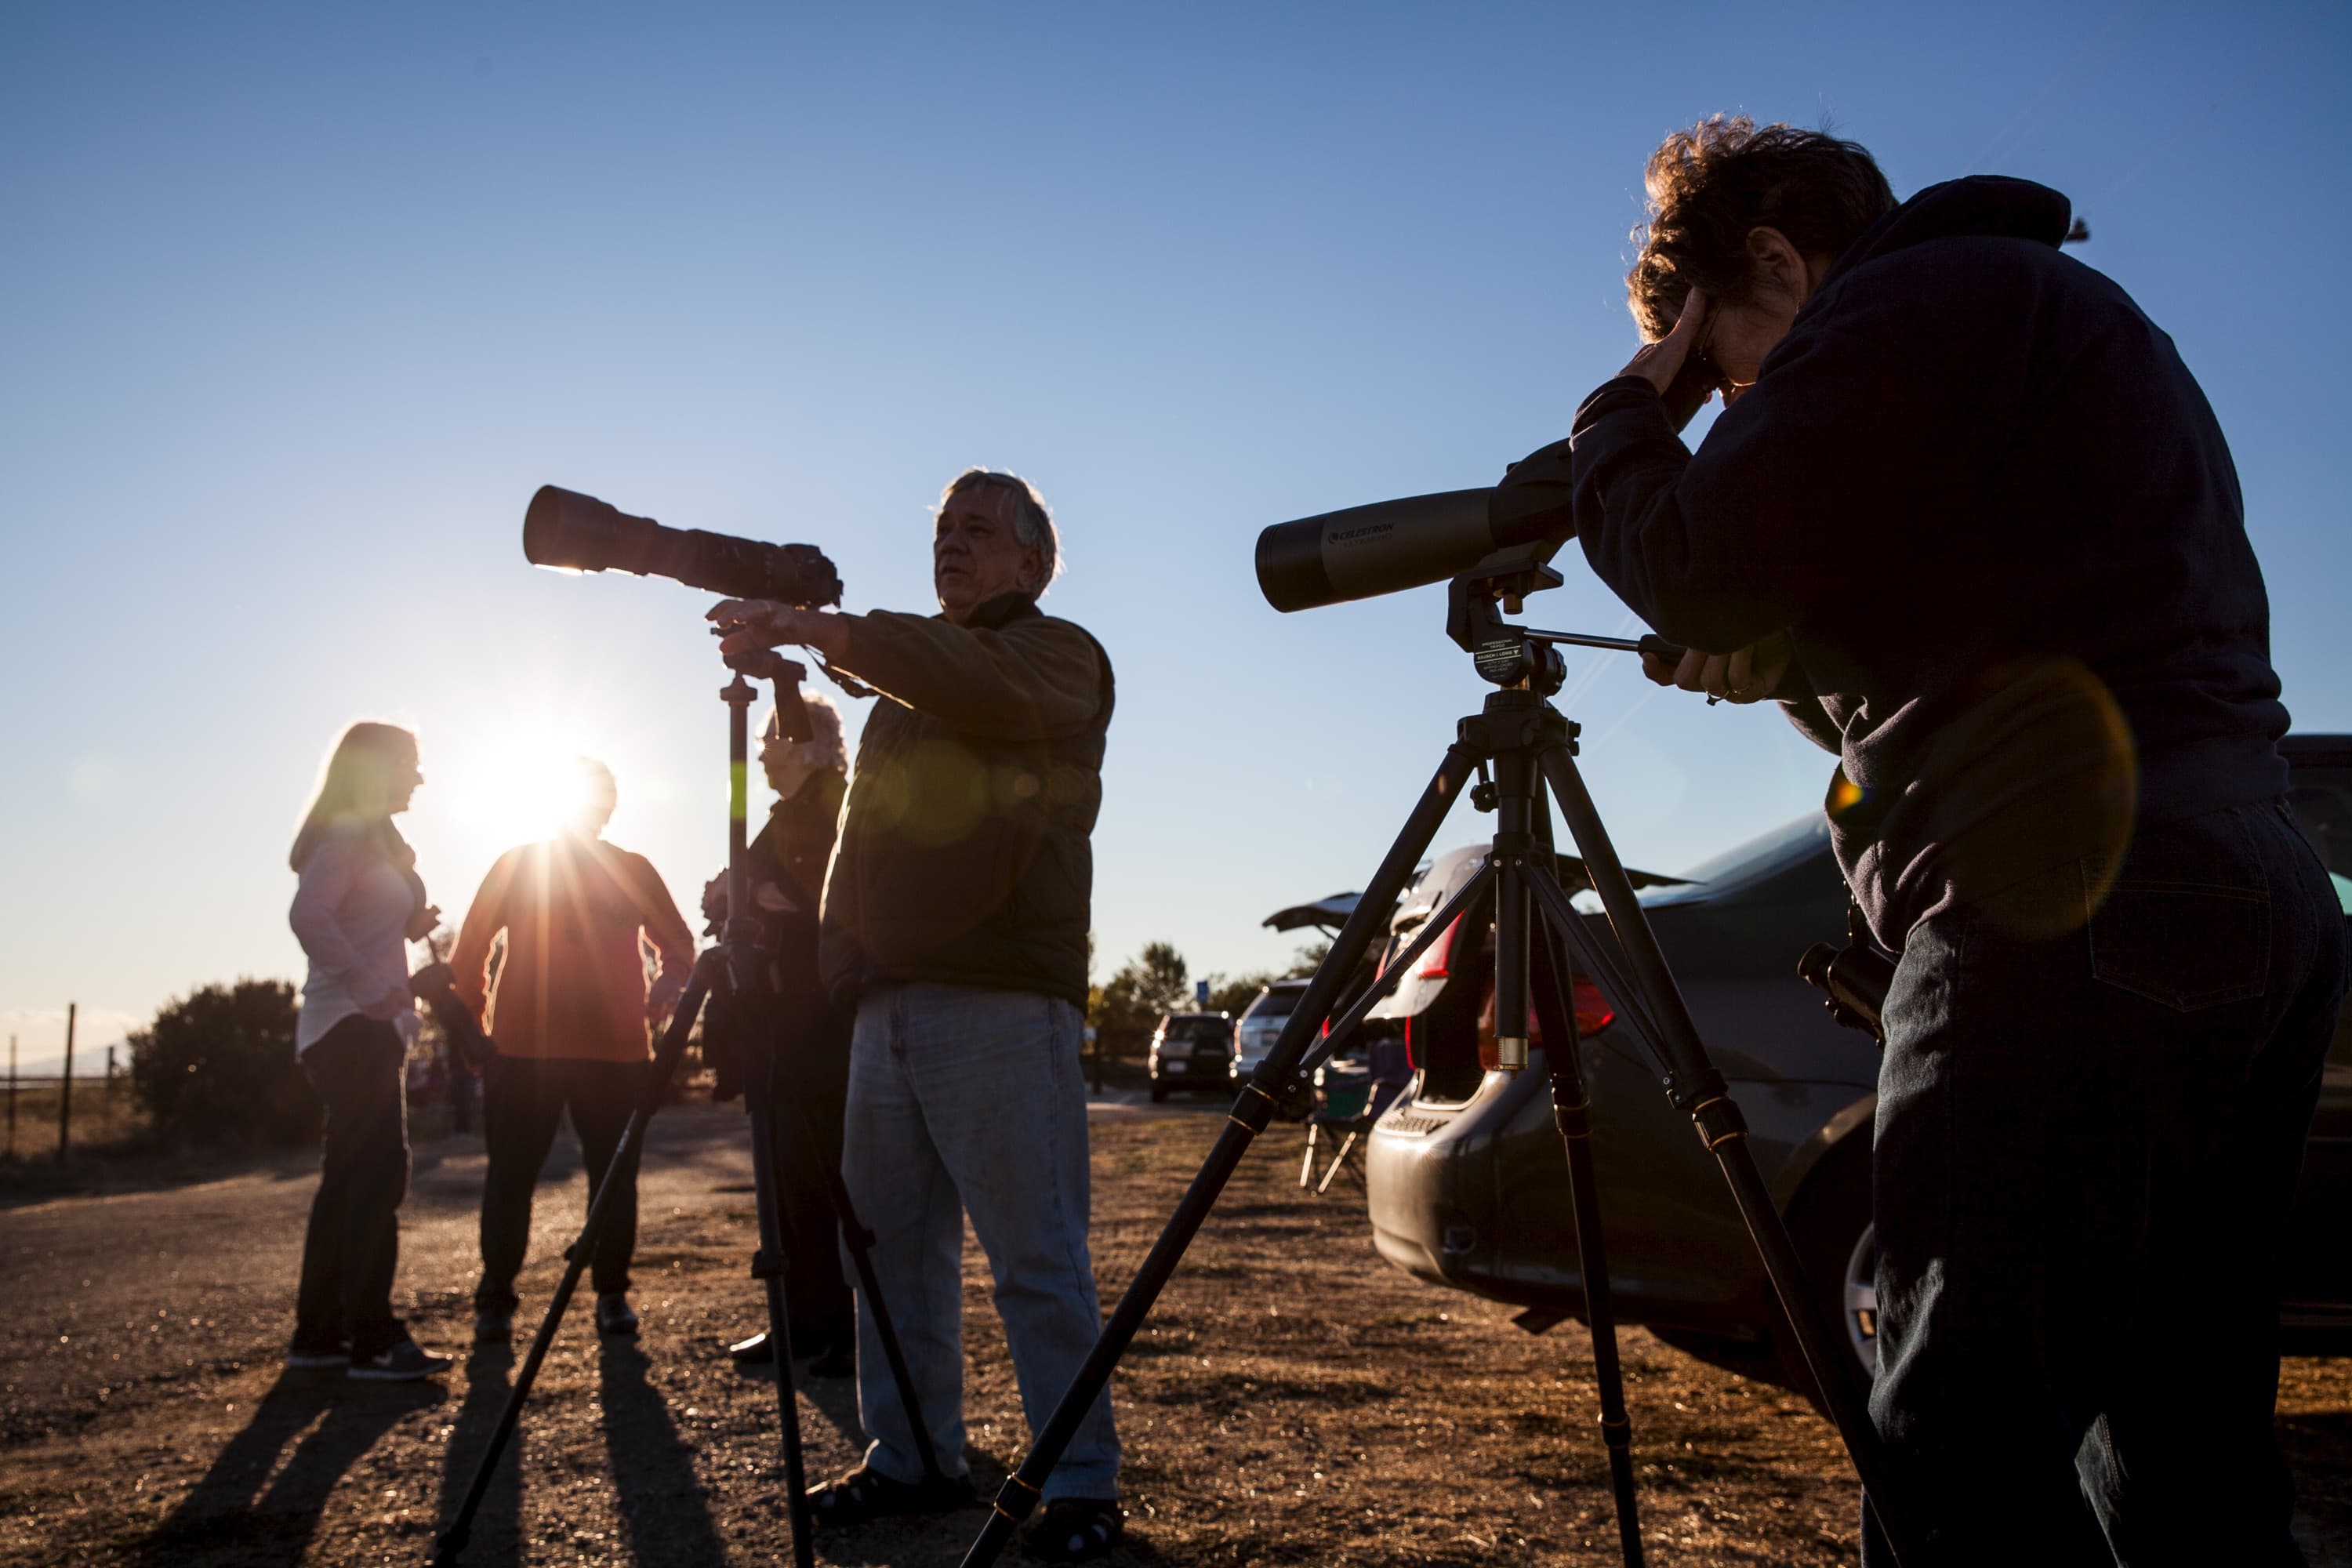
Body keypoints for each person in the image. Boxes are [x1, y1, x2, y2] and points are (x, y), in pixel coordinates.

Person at [1524, 116, 2349, 1565]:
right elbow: (1971, 631)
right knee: (2180, 1439)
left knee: (1963, 1435)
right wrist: (1786, 663)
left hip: (2061, 894)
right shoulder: (2041, 316)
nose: (1731, 419)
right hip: (2238, 878)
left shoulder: (1916, 299)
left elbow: (1700, 563)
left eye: (1723, 376)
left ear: (1777, 260)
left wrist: (1619, 422)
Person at [710, 468, 1124, 1563]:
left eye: (979, 530)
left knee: (1034, 1254)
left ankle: (1080, 1486)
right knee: (887, 1254)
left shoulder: (1056, 655)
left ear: (1032, 562)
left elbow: (970, 684)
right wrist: (806, 743)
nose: (953, 543)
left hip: (998, 998)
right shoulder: (906, 697)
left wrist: (823, 629)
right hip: (884, 1005)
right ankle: (914, 1458)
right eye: (943, 529)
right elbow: (871, 824)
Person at [449, 757, 697, 1342]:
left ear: (609, 809)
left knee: (614, 1179)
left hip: (616, 1055)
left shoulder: (632, 870)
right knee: (510, 1176)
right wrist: (476, 1032)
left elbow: (681, 945)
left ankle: (612, 1295)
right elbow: (470, 951)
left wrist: (668, 983)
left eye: (598, 800)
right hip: (521, 1053)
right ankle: (496, 1297)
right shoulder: (515, 866)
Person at [285, 720, 453, 1381]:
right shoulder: (351, 836)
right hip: (351, 1028)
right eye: (409, 762)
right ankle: (373, 1340)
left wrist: (411, 928)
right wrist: (363, 984)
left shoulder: (373, 841)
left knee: (348, 1181)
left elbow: (350, 918)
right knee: (378, 1176)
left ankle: (319, 1336)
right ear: (375, 767)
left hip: (354, 1029)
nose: (418, 776)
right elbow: (309, 916)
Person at [704, 691, 858, 1377]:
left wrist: (775, 904)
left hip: (816, 1023)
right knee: (782, 1177)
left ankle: (839, 1331)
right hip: (775, 1020)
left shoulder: (834, 806)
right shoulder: (783, 816)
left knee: (818, 1177)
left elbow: (842, 903)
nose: (762, 750)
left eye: (774, 737)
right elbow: (753, 892)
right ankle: (797, 1321)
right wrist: (731, 898)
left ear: (808, 742)